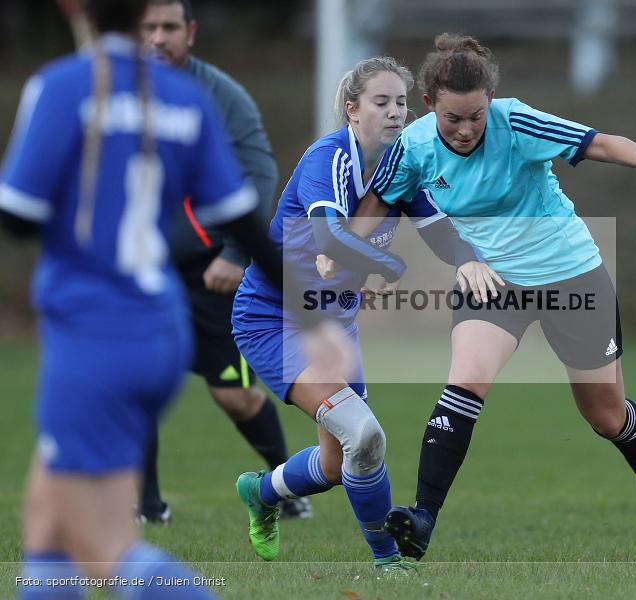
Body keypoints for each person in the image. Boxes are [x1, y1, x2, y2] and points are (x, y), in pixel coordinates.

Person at [360, 33, 636, 561]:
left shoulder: (516, 121)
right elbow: (377, 200)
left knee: (604, 415)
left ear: (490, 101)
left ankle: (635, 441)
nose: (464, 129)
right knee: (465, 381)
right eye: (452, 118)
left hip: (570, 274)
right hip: (493, 282)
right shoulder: (414, 144)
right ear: (429, 104)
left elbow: (596, 142)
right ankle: (423, 515)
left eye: (475, 116)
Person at [0, 0, 287, 597]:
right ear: (141, 20)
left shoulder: (62, 86)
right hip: (158, 324)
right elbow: (245, 218)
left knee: (104, 548)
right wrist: (312, 312)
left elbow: (20, 218)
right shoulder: (183, 98)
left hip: (95, 331)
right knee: (46, 525)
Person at [230, 56, 499, 573]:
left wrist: (468, 259)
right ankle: (387, 562)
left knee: (338, 462)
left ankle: (261, 492)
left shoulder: (401, 165)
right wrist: (387, 263)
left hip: (333, 323)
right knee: (365, 434)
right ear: (353, 110)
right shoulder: (328, 159)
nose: (395, 112)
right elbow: (331, 238)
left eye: (401, 102)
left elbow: (437, 228)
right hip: (273, 318)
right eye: (381, 102)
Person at [137, 0, 310, 524]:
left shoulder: (220, 95)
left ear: (190, 32)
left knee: (235, 396)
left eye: (169, 27)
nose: (158, 38)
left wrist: (236, 254)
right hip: (142, 272)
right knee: (135, 384)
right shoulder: (111, 93)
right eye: (148, 27)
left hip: (210, 274)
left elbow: (258, 174)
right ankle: (148, 508)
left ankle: (287, 486)